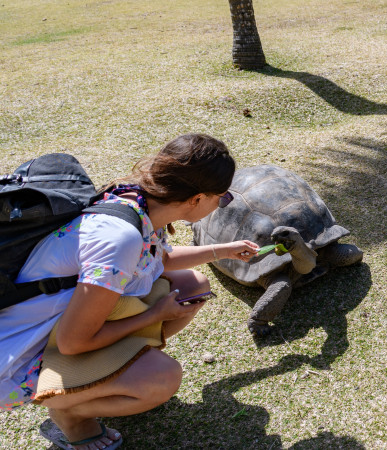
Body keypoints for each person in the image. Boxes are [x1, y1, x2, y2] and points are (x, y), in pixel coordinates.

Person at [0, 134, 260, 449]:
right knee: (162, 379)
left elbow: (159, 260)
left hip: (62, 324)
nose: (221, 204)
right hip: (23, 351)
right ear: (197, 198)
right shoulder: (119, 239)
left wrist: (224, 250)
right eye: (222, 197)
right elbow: (73, 342)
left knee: (192, 286)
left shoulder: (139, 201)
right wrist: (155, 315)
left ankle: (107, 379)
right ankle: (68, 414)